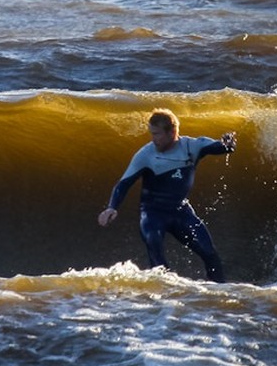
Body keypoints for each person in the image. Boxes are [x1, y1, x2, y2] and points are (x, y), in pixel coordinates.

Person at [98, 108, 236, 282]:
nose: (153, 139)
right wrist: (112, 207)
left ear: (172, 132)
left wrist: (228, 143)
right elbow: (123, 183)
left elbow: (220, 147)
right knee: (157, 257)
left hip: (181, 211)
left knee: (210, 253)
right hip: (152, 214)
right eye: (151, 133)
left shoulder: (191, 146)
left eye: (157, 134)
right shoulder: (146, 154)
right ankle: (166, 296)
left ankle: (218, 291)